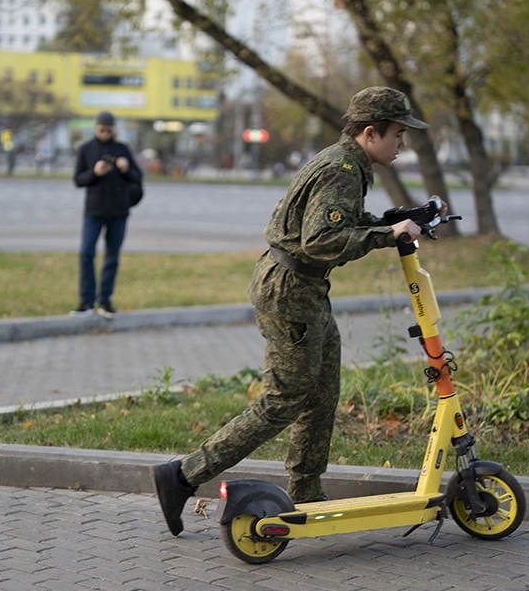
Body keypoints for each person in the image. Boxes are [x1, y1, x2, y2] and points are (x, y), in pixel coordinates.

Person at [152, 86, 435, 536]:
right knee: (282, 402)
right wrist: (387, 236)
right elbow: (318, 240)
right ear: (370, 133)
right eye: (399, 134)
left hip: (303, 288)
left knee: (322, 392)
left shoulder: (347, 162)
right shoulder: (342, 169)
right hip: (290, 291)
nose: (404, 143)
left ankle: (305, 492)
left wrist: (388, 220)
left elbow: (330, 223)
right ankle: (183, 475)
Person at [72, 110, 141, 320]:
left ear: (113, 129)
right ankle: (86, 302)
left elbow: (138, 177)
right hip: (94, 211)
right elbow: (78, 180)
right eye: (101, 129)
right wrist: (95, 172)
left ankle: (105, 301)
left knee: (112, 258)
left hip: (119, 211)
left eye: (108, 129)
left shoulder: (122, 149)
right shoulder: (86, 149)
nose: (104, 133)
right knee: (86, 252)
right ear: (95, 128)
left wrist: (126, 168)